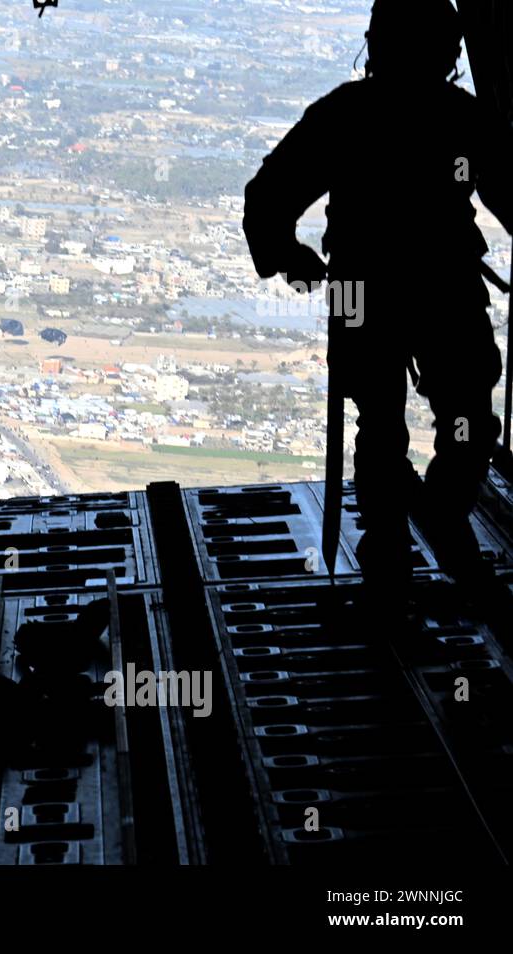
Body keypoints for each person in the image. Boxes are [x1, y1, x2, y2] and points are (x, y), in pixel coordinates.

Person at [243, 0, 513, 599]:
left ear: (376, 46)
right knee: (466, 417)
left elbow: (269, 196)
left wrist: (293, 259)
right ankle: (435, 517)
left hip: (365, 290)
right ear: (451, 55)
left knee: (382, 424)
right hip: (442, 286)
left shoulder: (347, 116)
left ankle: (392, 545)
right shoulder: (461, 120)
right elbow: (512, 198)